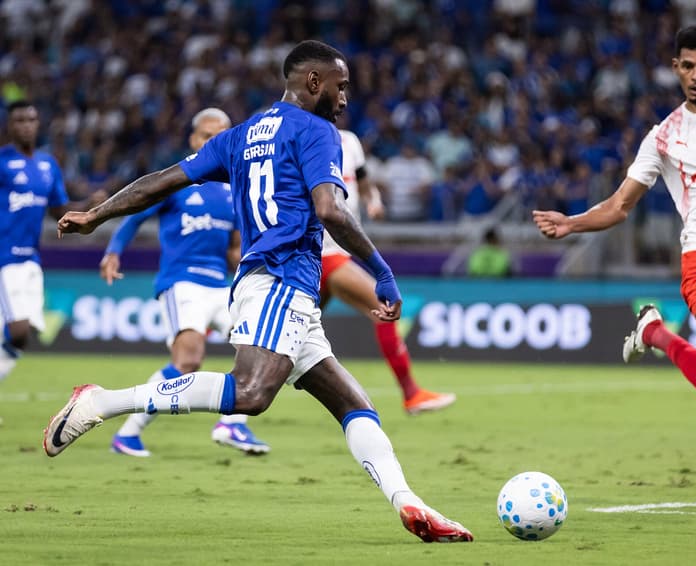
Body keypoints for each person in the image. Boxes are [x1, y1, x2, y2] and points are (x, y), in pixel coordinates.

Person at [44, 40, 473, 543]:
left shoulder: (243, 134)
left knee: (352, 402)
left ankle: (409, 503)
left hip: (285, 287)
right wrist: (381, 270)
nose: (345, 98)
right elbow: (330, 210)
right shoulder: (317, 130)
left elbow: (163, 180)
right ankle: (103, 402)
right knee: (250, 394)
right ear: (314, 81)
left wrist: (97, 214)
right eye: (341, 86)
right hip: (280, 275)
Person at [533, 25, 696, 506]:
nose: (695, 76)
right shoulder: (665, 136)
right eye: (686, 66)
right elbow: (619, 205)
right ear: (675, 68)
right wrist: (571, 223)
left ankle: (654, 333)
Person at [101, 108, 269, 457]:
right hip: (182, 283)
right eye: (206, 135)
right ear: (193, 139)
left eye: (220, 135)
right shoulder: (178, 179)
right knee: (189, 360)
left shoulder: (234, 185)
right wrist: (114, 250)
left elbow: (236, 246)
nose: (213, 141)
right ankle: (128, 435)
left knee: (260, 349)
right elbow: (135, 215)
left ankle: (232, 424)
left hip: (222, 287)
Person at [321, 128, 456, 414]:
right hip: (321, 251)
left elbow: (362, 180)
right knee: (382, 307)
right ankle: (411, 393)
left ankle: (243, 403)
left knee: (292, 333)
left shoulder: (350, 141)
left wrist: (373, 201)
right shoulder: (305, 137)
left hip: (338, 251)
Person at [0, 101, 105, 399]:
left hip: (30, 260)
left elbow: (57, 209)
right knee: (17, 332)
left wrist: (87, 206)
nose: (26, 125)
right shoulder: (2, 162)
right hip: (4, 258)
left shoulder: (47, 166)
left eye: (31, 119)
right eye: (19, 120)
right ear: (10, 126)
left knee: (20, 335)